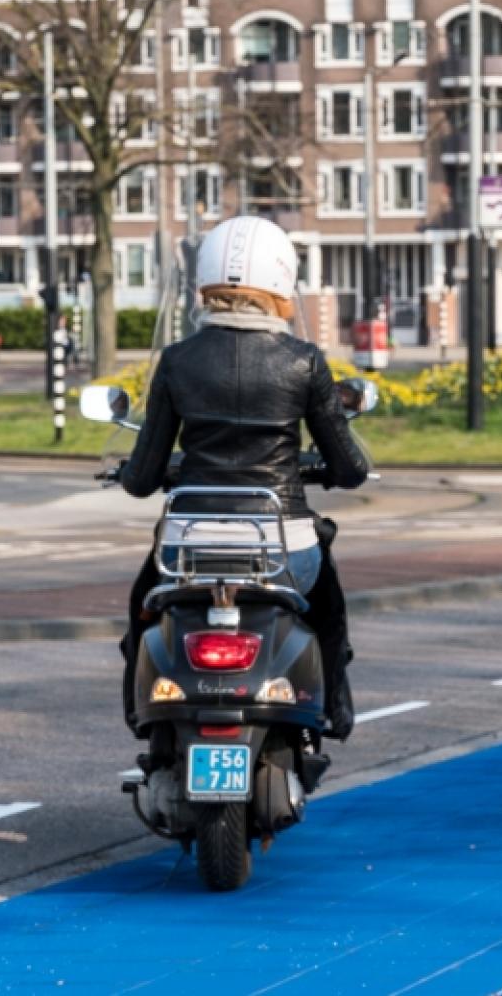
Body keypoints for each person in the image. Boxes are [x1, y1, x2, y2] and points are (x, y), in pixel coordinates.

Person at [117, 216, 372, 739]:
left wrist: (138, 470)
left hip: (190, 547)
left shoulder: (176, 361)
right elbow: (349, 469)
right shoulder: (303, 362)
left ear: (205, 279)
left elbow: (142, 478)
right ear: (283, 282)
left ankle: (137, 704)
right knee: (327, 604)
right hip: (282, 548)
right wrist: (324, 467)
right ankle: (336, 701)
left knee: (143, 605)